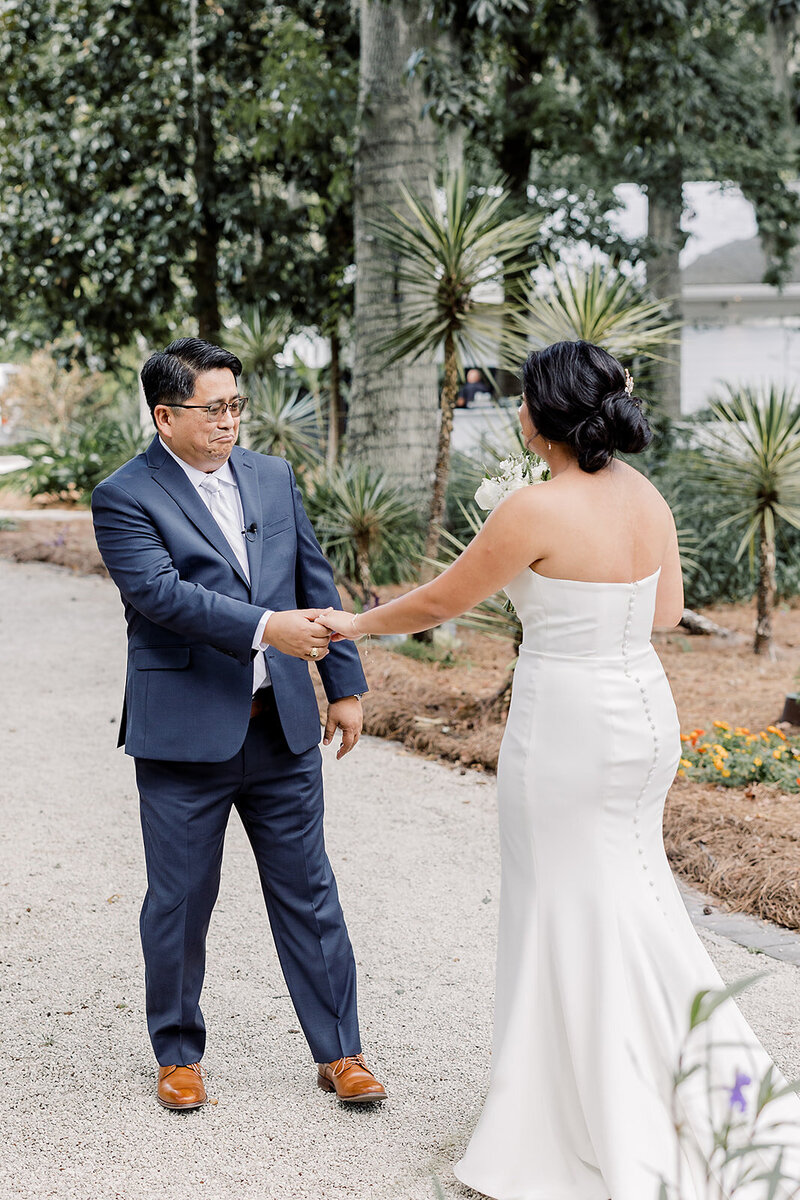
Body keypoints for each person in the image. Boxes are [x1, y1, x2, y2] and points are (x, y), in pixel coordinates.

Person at [319, 340, 800, 1199]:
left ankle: (570, 1119)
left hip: (567, 723)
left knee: (560, 906)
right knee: (632, 894)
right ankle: (708, 1088)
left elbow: (441, 602)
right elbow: (668, 610)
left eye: (522, 401)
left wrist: (351, 626)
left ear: (542, 418)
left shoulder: (531, 511)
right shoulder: (645, 497)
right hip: (643, 716)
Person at [91, 337, 386, 1110]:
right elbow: (160, 596)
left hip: (281, 725)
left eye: (235, 406)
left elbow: (313, 576)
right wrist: (266, 629)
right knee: (181, 900)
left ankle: (341, 1052)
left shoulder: (272, 476)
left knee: (309, 890)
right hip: (184, 734)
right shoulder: (123, 495)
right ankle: (178, 1054)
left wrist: (343, 684)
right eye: (212, 408)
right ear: (164, 414)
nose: (229, 422)